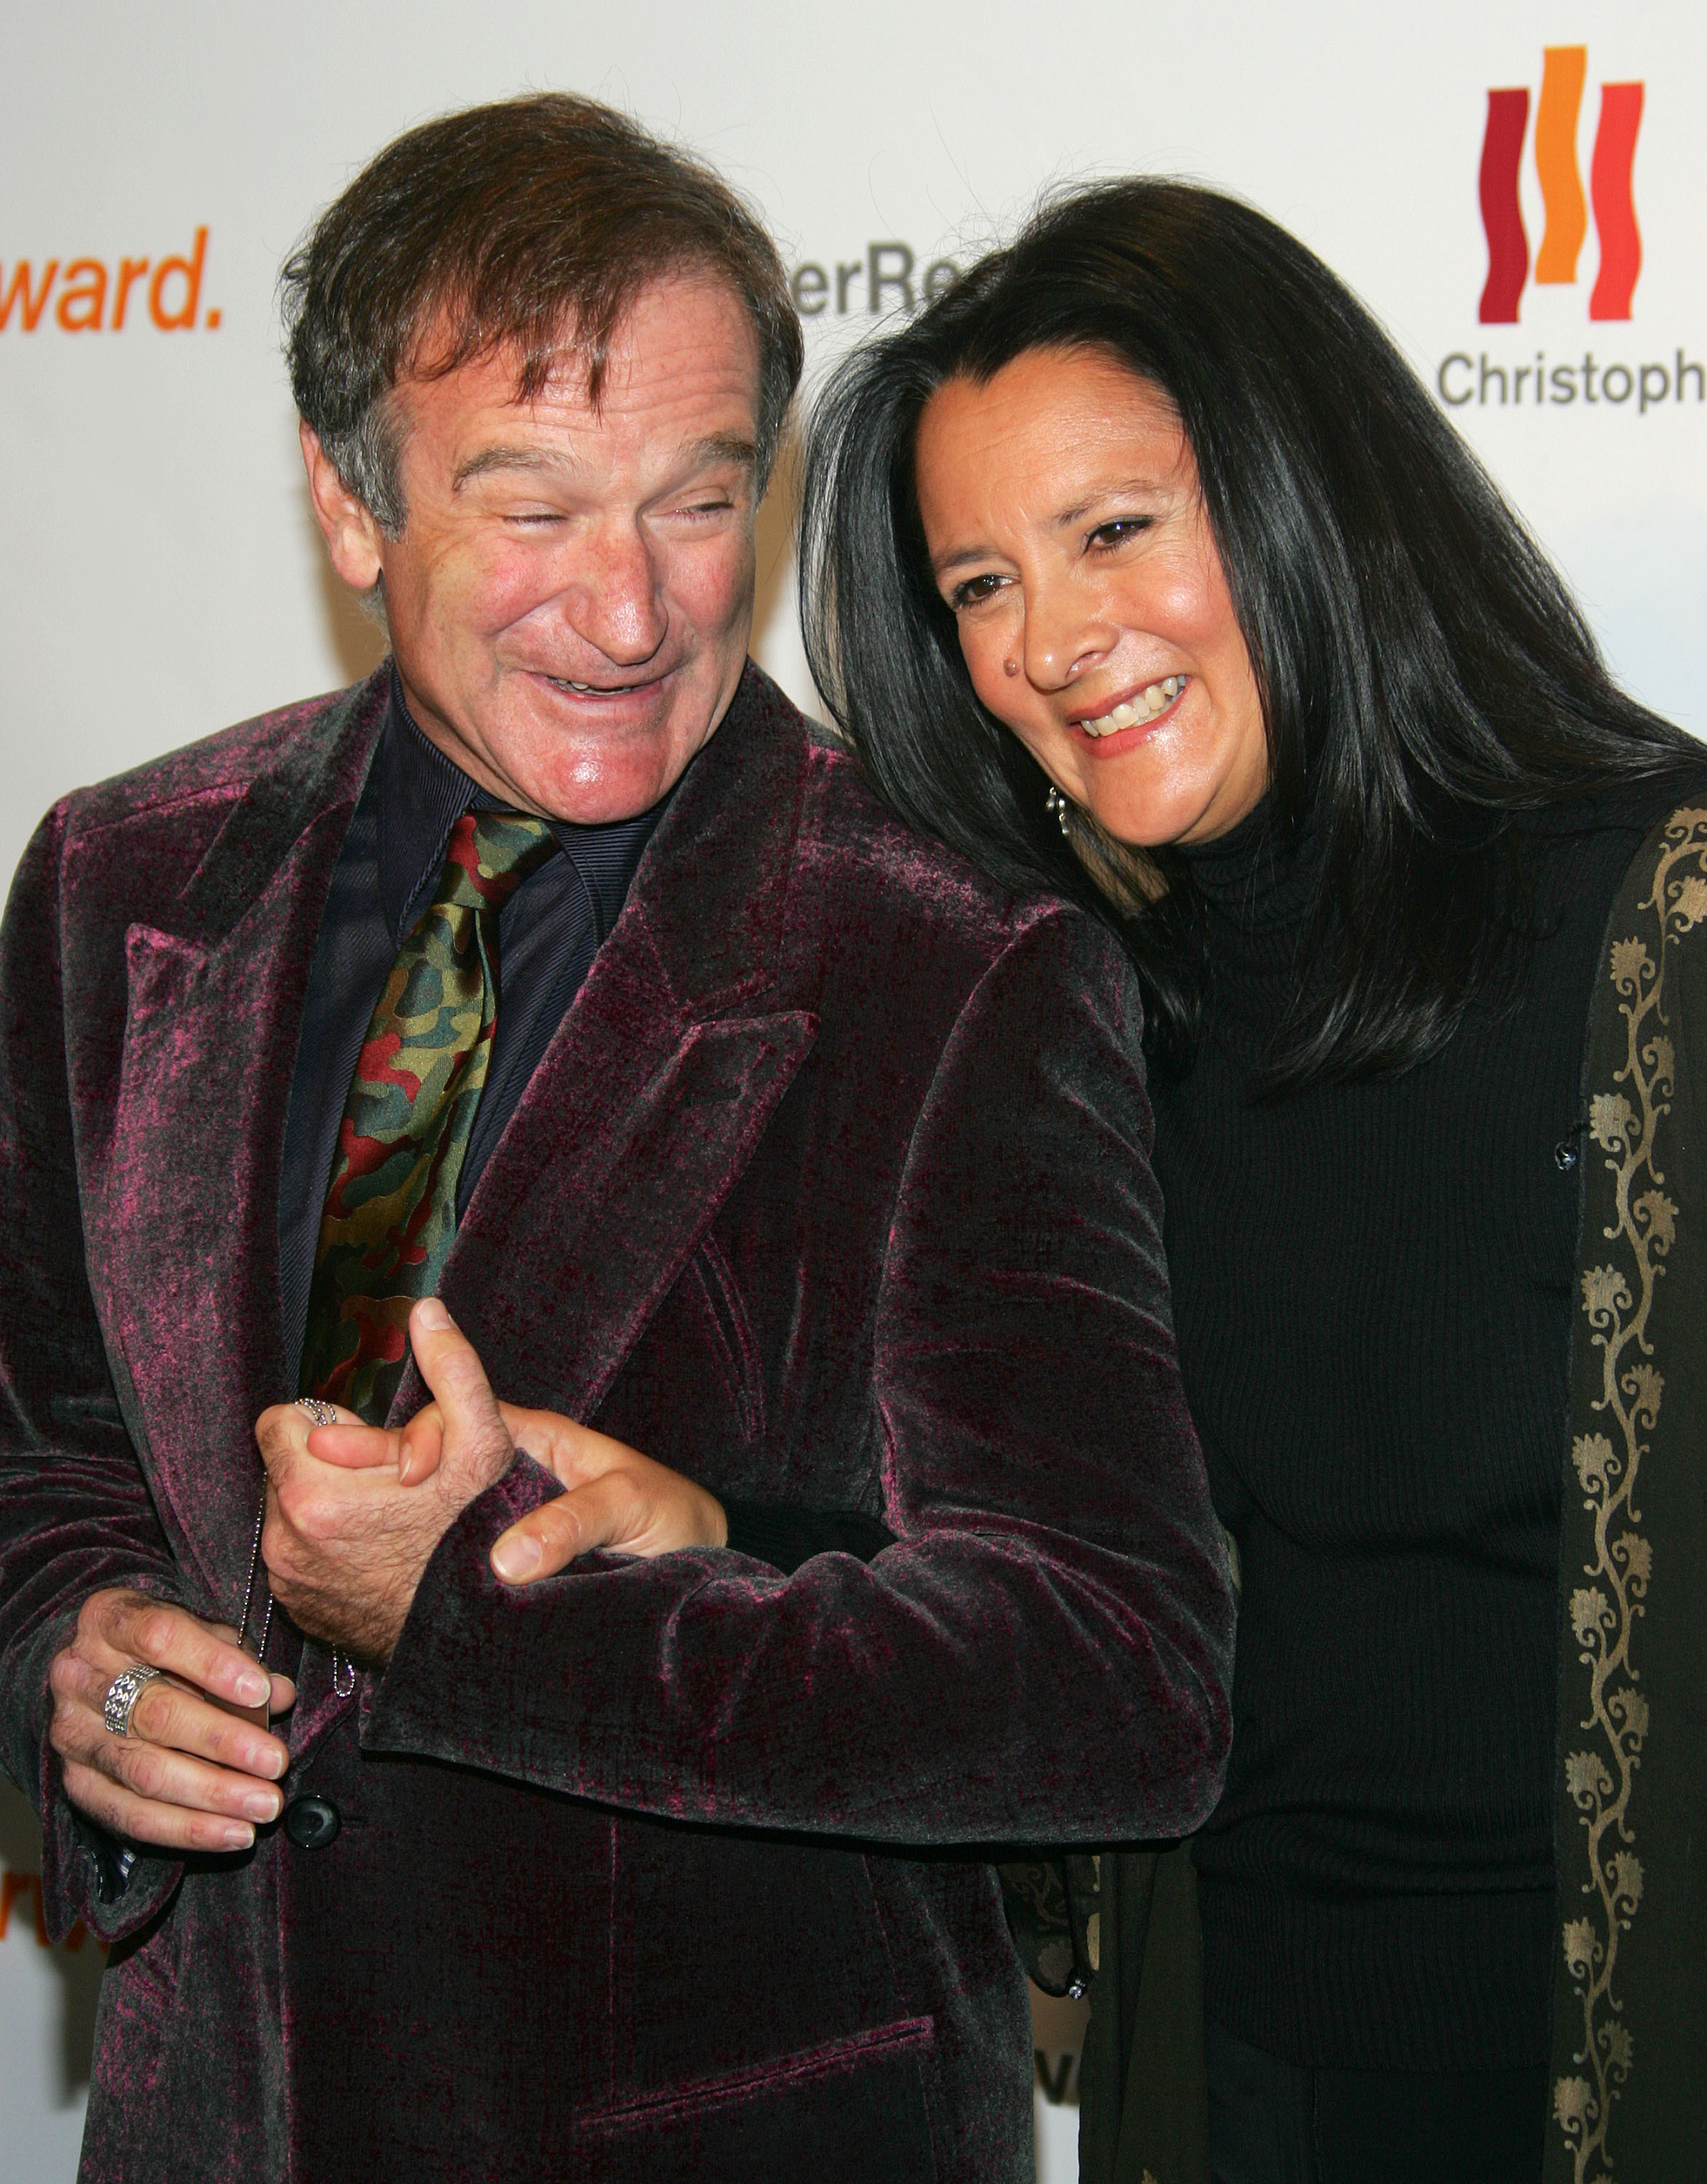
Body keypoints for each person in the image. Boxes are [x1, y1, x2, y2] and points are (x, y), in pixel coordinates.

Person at [0, 101, 1235, 2183]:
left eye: (696, 500)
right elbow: (42, 1452)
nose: (633, 606)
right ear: (345, 501)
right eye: (532, 505)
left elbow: (1113, 1676)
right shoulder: (120, 883)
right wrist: (76, 1654)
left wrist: (494, 1622)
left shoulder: (949, 958)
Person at [796, 178, 1707, 2183]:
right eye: (975, 586)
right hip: (1220, 2090)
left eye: (1112, 529)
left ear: (1302, 496)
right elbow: (1043, 1551)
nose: (1051, 640)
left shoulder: (1667, 930)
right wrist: (704, 1520)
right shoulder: (1090, 1024)